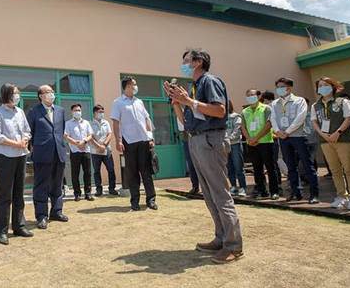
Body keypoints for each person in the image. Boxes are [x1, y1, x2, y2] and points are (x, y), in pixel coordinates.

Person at [165, 48, 243, 264]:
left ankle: (233, 246)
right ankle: (221, 238)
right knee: (209, 194)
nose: (183, 64)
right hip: (197, 139)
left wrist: (189, 101)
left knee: (220, 193)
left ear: (198, 62)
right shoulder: (195, 86)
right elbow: (187, 122)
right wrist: (177, 102)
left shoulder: (209, 81)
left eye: (186, 61)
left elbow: (220, 111)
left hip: (211, 140)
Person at [0, 83, 34, 245]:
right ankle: (1, 230)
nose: (17, 96)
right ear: (6, 94)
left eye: (18, 93)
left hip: (21, 155)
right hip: (5, 157)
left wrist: (25, 140)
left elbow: (27, 130)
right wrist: (16, 144)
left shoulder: (20, 112)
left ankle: (19, 225)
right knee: (4, 194)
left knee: (19, 192)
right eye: (15, 93)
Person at [311, 77, 350, 210]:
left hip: (344, 139)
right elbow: (315, 122)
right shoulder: (316, 105)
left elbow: (349, 118)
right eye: (320, 85)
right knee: (335, 170)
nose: (322, 87)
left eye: (326, 85)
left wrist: (338, 132)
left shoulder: (343, 101)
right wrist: (323, 135)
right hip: (325, 142)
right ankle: (341, 196)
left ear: (333, 86)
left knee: (349, 170)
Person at [26, 84, 69, 230]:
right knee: (41, 186)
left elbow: (61, 130)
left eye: (52, 91)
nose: (51, 94)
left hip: (59, 152)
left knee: (57, 185)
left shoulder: (61, 110)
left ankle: (56, 211)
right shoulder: (33, 111)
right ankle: (41, 216)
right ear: (41, 96)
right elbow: (29, 133)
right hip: (42, 154)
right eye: (48, 92)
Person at [111, 77, 157, 211]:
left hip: (143, 140)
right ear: (127, 86)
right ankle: (135, 202)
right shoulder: (118, 103)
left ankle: (151, 200)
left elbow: (147, 120)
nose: (136, 87)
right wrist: (118, 140)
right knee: (132, 173)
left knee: (146, 171)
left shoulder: (139, 102)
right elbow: (115, 123)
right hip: (128, 141)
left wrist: (151, 137)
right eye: (133, 85)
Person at [270, 77, 319, 204]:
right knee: (290, 166)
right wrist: (277, 131)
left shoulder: (299, 100)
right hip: (283, 138)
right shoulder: (275, 104)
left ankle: (314, 194)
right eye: (278, 87)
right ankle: (295, 192)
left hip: (298, 137)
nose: (279, 89)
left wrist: (288, 131)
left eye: (282, 86)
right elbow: (273, 118)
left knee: (307, 165)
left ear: (289, 88)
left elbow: (301, 117)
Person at [241, 89, 279, 199]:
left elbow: (269, 124)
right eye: (247, 95)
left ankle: (274, 192)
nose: (250, 97)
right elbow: (243, 126)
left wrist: (256, 138)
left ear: (258, 96)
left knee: (270, 168)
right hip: (252, 144)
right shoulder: (245, 111)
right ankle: (262, 191)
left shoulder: (266, 108)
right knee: (257, 169)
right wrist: (249, 138)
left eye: (252, 95)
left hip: (265, 142)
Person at [65, 103, 94, 201]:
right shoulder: (68, 123)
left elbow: (90, 135)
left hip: (86, 150)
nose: (78, 112)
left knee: (88, 173)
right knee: (75, 173)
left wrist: (84, 141)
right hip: (75, 151)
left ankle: (88, 193)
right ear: (72, 112)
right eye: (75, 110)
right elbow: (66, 136)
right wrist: (77, 144)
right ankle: (77, 194)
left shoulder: (86, 122)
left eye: (79, 110)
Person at [90, 104, 118, 196]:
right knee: (96, 171)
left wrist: (104, 145)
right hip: (95, 151)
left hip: (107, 150)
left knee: (111, 170)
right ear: (94, 113)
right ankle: (99, 190)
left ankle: (112, 189)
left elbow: (109, 134)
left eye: (102, 112)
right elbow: (90, 137)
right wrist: (98, 146)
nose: (101, 114)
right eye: (99, 112)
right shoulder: (90, 124)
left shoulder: (106, 122)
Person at [225, 100, 246, 197]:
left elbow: (237, 130)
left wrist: (228, 139)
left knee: (238, 167)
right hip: (225, 146)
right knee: (229, 167)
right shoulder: (221, 117)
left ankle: (243, 187)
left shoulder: (236, 116)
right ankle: (233, 186)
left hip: (235, 144)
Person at [178, 118, 199, 194]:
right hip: (185, 134)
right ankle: (195, 186)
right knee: (190, 162)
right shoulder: (178, 108)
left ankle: (207, 186)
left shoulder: (188, 108)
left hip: (195, 132)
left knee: (201, 162)